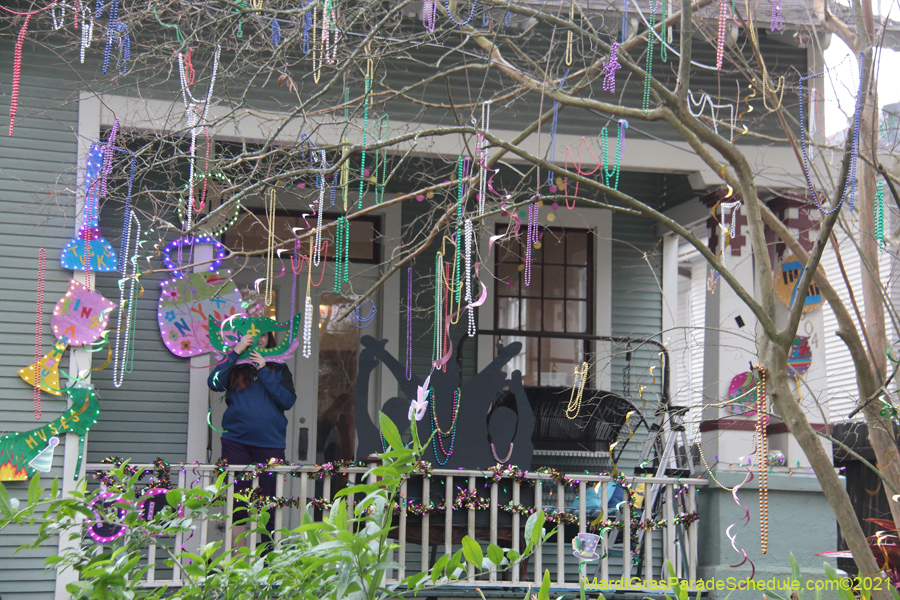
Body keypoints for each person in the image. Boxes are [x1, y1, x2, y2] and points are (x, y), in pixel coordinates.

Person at [208, 331, 296, 547]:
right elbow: (214, 382)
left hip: (271, 443)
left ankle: (266, 563)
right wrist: (235, 352)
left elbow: (287, 401)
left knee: (268, 505)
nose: (258, 340)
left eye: (263, 335)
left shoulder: (280, 367)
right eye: (252, 335)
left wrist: (264, 370)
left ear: (270, 339)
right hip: (236, 442)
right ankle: (237, 565)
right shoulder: (235, 366)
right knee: (238, 503)